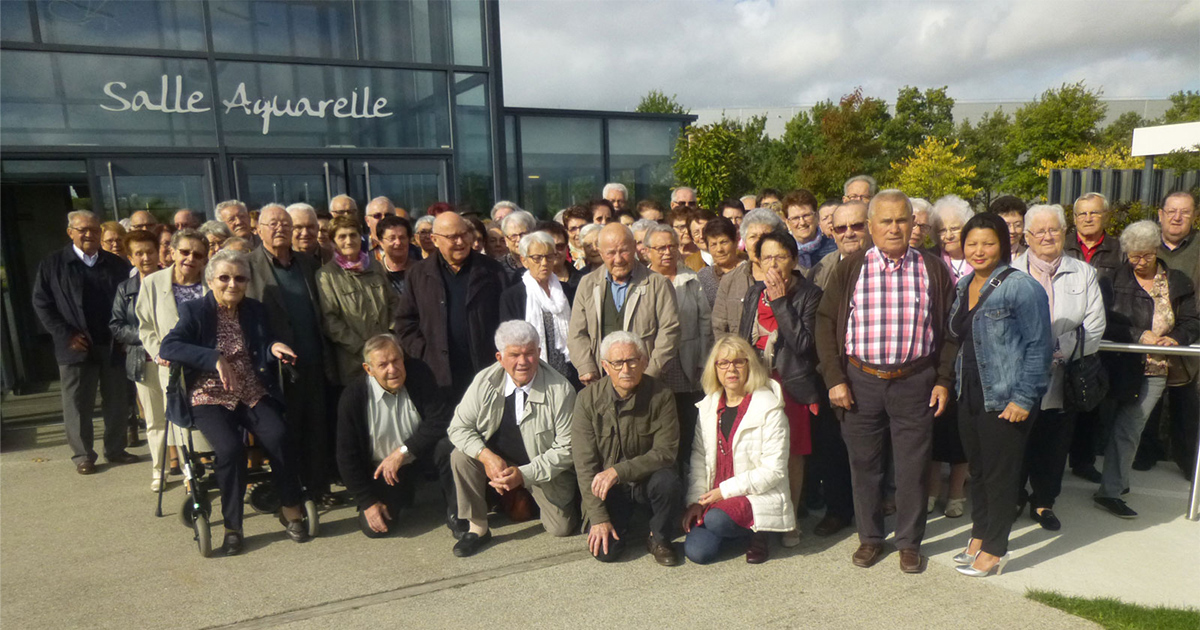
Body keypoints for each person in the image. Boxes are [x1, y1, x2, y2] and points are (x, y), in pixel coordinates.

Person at [815, 189, 959, 574]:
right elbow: (826, 322)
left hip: (915, 382)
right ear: (871, 227)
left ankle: (909, 543)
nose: (894, 228)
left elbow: (949, 331)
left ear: (914, 224)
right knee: (865, 465)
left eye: (902, 220)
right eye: (886, 221)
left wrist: (943, 379)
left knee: (913, 468)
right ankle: (871, 539)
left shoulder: (932, 268)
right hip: (861, 382)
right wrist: (834, 378)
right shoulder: (851, 267)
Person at [160, 249, 310, 556]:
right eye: (225, 277)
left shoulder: (254, 309)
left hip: (251, 390)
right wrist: (213, 357)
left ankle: (290, 506)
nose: (232, 284)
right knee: (229, 449)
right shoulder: (195, 311)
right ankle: (233, 526)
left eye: (240, 278)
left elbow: (262, 345)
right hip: (210, 394)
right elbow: (170, 345)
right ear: (211, 279)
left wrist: (275, 347)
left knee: (279, 434)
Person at [949, 212, 1052, 578]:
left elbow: (1040, 347)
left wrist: (1024, 398)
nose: (979, 250)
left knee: (1001, 475)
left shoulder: (1021, 287)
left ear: (1004, 245)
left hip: (1006, 395)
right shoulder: (963, 285)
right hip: (970, 392)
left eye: (988, 243)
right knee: (977, 471)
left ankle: (996, 549)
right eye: (972, 243)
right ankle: (979, 536)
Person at [447, 321, 581, 556]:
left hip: (540, 469)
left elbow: (567, 449)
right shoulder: (484, 381)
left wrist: (524, 475)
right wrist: (486, 456)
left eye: (530, 353)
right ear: (500, 357)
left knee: (561, 528)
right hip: (500, 461)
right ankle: (477, 527)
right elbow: (458, 427)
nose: (523, 361)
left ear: (539, 353)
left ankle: (523, 499)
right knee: (460, 456)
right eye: (514, 354)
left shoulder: (561, 390)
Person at [1011, 204, 1106, 531]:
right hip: (1019, 377)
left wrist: (1056, 351)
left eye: (1054, 229)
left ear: (1064, 232)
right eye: (1039, 231)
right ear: (1027, 237)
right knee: (1017, 440)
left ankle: (1043, 502)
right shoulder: (1010, 272)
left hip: (1065, 376)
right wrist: (1032, 356)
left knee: (1053, 444)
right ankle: (1014, 497)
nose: (1047, 236)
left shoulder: (1084, 273)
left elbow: (1093, 327)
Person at [1096, 220, 1199, 518]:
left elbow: (1192, 320)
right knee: (1122, 426)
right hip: (1121, 363)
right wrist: (1140, 334)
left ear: (1156, 249)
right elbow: (1105, 320)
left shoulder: (1177, 280)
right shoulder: (1113, 280)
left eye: (1146, 255)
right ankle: (1113, 486)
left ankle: (1112, 488)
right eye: (1134, 256)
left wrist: (1176, 338)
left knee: (1131, 426)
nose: (1140, 262)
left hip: (1158, 365)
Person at [736, 230, 825, 546]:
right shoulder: (752, 293)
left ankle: (790, 519)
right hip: (754, 383)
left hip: (791, 385)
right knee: (754, 452)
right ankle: (757, 518)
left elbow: (803, 344)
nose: (773, 264)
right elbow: (743, 338)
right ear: (757, 262)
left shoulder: (810, 294)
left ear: (794, 259)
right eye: (767, 257)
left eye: (781, 257)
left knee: (792, 455)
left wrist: (780, 301)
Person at [33, 211, 135, 474]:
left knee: (117, 401)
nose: (89, 234)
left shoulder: (116, 264)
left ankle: (115, 449)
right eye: (82, 230)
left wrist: (126, 334)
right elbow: (42, 304)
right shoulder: (53, 264)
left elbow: (131, 302)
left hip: (112, 343)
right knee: (78, 404)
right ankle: (83, 456)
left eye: (94, 229)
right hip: (75, 345)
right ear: (70, 232)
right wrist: (65, 333)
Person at [246, 204, 334, 504]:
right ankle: (290, 492)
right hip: (273, 368)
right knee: (286, 433)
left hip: (314, 359)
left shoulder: (307, 263)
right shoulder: (247, 266)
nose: (281, 228)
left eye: (286, 223)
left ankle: (318, 488)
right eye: (273, 223)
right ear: (258, 229)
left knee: (317, 429)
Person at [573, 332, 682, 565]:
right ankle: (620, 523)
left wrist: (619, 471)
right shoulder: (587, 400)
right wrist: (599, 518)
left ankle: (659, 537)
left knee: (668, 481)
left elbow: (666, 452)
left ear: (644, 362)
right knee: (606, 553)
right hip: (610, 489)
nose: (626, 369)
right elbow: (585, 466)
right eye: (617, 363)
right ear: (605, 366)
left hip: (646, 481)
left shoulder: (661, 395)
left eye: (633, 361)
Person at [683, 336, 793, 564]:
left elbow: (774, 471)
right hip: (715, 498)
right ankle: (734, 528)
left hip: (755, 495)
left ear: (749, 366)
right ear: (715, 369)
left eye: (738, 362)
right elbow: (699, 457)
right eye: (723, 363)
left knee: (715, 521)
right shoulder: (708, 407)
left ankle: (759, 531)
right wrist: (696, 500)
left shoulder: (769, 408)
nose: (731, 369)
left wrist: (724, 491)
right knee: (698, 553)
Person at [336, 334, 455, 539]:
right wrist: (368, 502)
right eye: (383, 365)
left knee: (449, 447)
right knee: (375, 529)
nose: (393, 370)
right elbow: (346, 457)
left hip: (420, 456)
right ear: (368, 369)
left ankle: (458, 513)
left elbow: (440, 419)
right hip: (383, 472)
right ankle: (402, 495)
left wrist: (402, 451)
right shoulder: (353, 397)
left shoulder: (418, 373)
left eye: (396, 360)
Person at [396, 212, 509, 402]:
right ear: (435, 240)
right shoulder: (419, 273)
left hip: (484, 370)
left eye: (464, 234)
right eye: (452, 237)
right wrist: (424, 351)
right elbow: (405, 322)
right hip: (438, 375)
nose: (460, 241)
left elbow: (507, 319)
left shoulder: (492, 271)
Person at [567, 223, 680, 387]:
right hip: (601, 381)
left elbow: (670, 332)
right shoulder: (588, 284)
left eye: (624, 251)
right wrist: (586, 368)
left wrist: (650, 374)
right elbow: (577, 333)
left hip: (646, 383)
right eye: (611, 253)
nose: (618, 259)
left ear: (635, 247)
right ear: (600, 253)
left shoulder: (657, 284)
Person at [137, 228, 214, 464]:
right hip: (171, 365)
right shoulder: (152, 282)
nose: (191, 259)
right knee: (179, 422)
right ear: (172, 252)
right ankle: (189, 475)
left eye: (198, 255)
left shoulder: (211, 284)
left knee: (209, 420)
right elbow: (145, 325)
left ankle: (213, 468)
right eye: (185, 252)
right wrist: (159, 352)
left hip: (206, 365)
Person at [1062, 192, 1120, 483]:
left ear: (1106, 216)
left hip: (1098, 337)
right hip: (1063, 336)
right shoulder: (1061, 246)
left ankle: (1083, 461)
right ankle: (1056, 460)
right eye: (1082, 214)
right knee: (1061, 404)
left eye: (1094, 213)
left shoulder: (1118, 251)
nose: (1087, 218)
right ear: (1073, 219)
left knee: (1088, 403)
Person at [644, 223, 713, 466]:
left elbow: (705, 322)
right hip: (654, 368)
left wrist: (704, 361)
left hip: (687, 365)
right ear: (647, 251)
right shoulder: (641, 282)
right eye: (660, 248)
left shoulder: (691, 279)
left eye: (672, 246)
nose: (667, 252)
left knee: (687, 428)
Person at [110, 230, 167, 489]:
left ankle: (192, 470)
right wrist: (148, 337)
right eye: (139, 253)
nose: (146, 257)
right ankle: (160, 471)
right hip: (143, 362)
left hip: (175, 361)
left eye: (150, 252)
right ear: (130, 258)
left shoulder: (172, 282)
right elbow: (117, 326)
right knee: (154, 420)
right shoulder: (126, 289)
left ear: (158, 253)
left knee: (183, 418)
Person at [1150, 191, 1200, 477]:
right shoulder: (1147, 242)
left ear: (1193, 216)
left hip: (1190, 335)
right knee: (1146, 401)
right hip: (1150, 336)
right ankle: (1145, 455)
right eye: (1171, 211)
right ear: (1160, 214)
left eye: (1184, 212)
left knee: (1187, 406)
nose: (1177, 217)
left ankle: (1189, 464)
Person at [317, 215, 399, 387]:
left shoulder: (375, 266)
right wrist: (364, 349)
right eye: (342, 236)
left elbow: (393, 303)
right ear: (333, 242)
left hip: (387, 356)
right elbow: (331, 321)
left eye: (353, 235)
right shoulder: (326, 275)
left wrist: (390, 336)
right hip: (354, 362)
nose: (349, 240)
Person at [499, 231, 579, 387]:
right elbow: (510, 340)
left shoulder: (567, 291)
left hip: (569, 372)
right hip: (532, 373)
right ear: (524, 260)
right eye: (537, 258)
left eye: (549, 257)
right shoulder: (513, 296)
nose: (544, 263)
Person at [711, 209, 789, 336]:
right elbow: (719, 328)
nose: (758, 243)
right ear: (744, 243)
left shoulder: (796, 277)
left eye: (765, 236)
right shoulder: (729, 281)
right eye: (753, 237)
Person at [808, 201, 869, 291]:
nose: (848, 234)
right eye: (841, 228)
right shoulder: (821, 270)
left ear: (871, 227)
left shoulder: (887, 263)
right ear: (833, 233)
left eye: (857, 226)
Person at [784, 189, 836, 269]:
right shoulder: (783, 253)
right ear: (787, 222)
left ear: (816, 216)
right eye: (795, 218)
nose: (802, 223)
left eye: (806, 216)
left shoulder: (835, 249)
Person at [696, 217, 742, 308]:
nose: (719, 249)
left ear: (735, 242)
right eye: (713, 244)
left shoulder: (748, 272)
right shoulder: (703, 276)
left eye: (724, 242)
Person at [932, 195, 974, 281]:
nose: (948, 236)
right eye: (942, 230)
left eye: (954, 229)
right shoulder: (932, 260)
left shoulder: (978, 256)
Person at [535, 220, 584, 291]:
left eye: (560, 246)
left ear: (567, 247)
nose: (554, 251)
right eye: (549, 246)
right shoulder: (525, 282)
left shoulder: (583, 281)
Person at [376, 215, 414, 298]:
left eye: (402, 238)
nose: (398, 242)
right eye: (392, 238)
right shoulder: (375, 273)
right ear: (381, 243)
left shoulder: (422, 271)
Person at [500, 210, 537, 281]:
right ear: (506, 240)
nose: (519, 239)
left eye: (523, 234)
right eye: (513, 236)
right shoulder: (499, 267)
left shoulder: (542, 261)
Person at [669, 206, 705, 272]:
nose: (686, 231)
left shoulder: (703, 251)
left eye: (688, 226)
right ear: (671, 228)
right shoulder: (668, 253)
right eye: (681, 227)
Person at [562, 205, 592, 269]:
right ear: (566, 231)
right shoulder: (562, 257)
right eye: (573, 229)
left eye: (582, 227)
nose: (578, 233)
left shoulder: (599, 253)